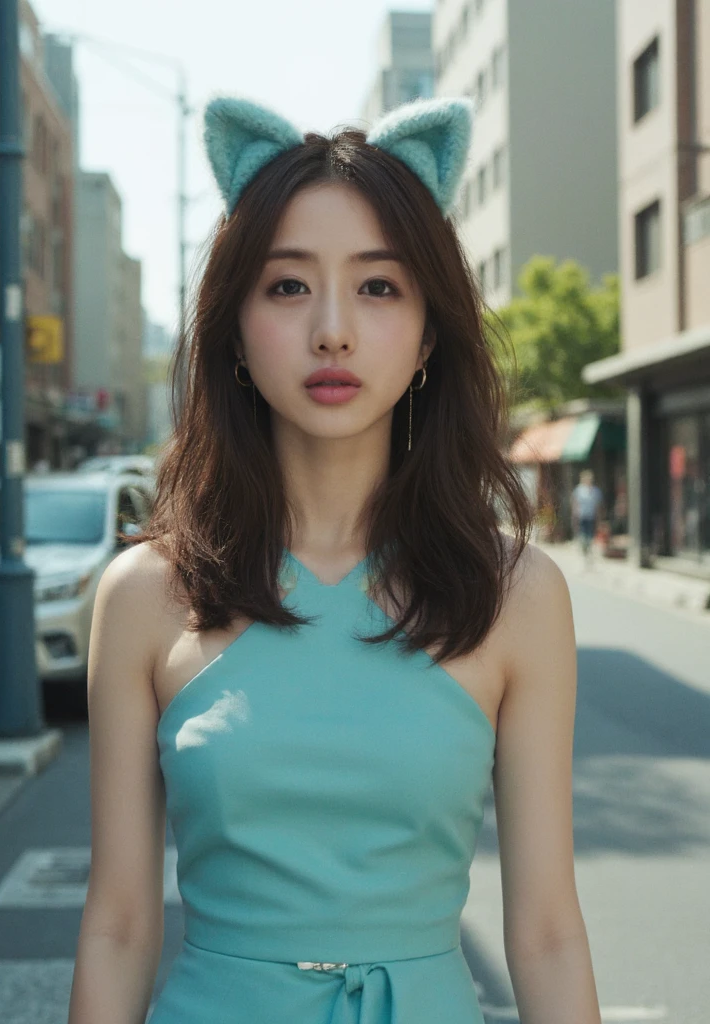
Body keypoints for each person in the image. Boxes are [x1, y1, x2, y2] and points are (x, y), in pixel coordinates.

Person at [68, 95, 601, 1024]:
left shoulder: (516, 594)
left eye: (378, 286)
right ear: (232, 328)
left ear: (431, 333)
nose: (332, 330)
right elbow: (118, 925)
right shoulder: (146, 595)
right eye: (287, 286)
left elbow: (548, 930)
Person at [571, 469, 604, 566]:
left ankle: (588, 552)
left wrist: (599, 518)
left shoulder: (595, 491)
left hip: (591, 516)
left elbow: (598, 506)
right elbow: (575, 504)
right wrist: (574, 516)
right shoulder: (578, 490)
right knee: (582, 535)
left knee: (590, 535)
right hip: (581, 516)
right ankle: (584, 550)